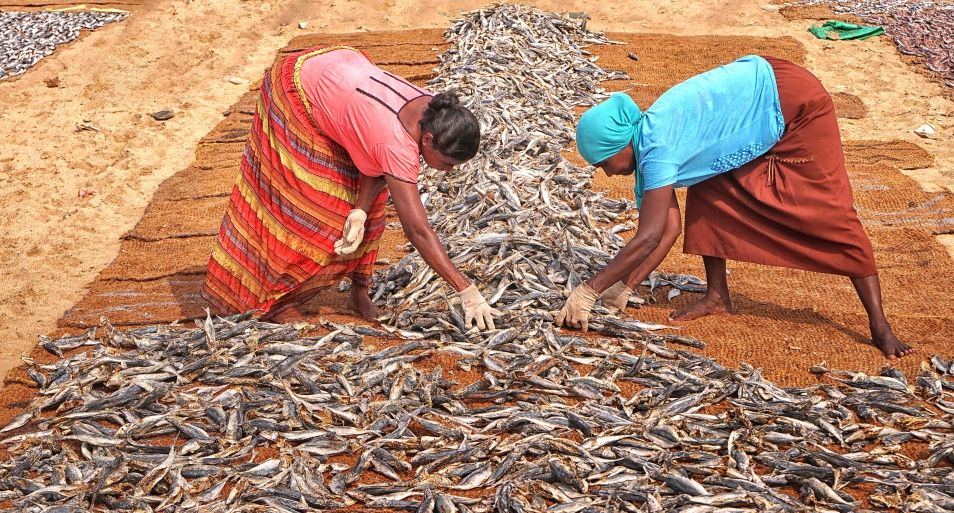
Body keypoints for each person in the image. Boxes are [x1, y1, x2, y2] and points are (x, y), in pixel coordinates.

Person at [557, 55, 912, 360]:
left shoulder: (658, 148)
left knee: (829, 208)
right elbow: (669, 229)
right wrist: (625, 286)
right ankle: (717, 296)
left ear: (621, 144)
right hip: (759, 87)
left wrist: (589, 291)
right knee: (710, 186)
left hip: (794, 98)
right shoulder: (649, 133)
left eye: (604, 162)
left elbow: (648, 235)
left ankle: (880, 326)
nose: (607, 172)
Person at [201, 46, 500, 330]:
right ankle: (276, 301)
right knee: (313, 209)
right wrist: (465, 289)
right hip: (298, 89)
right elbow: (418, 229)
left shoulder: (433, 109)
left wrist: (360, 210)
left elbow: (374, 157)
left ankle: (359, 291)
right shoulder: (396, 142)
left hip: (338, 68)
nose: (447, 171)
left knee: (368, 210)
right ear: (428, 140)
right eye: (447, 163)